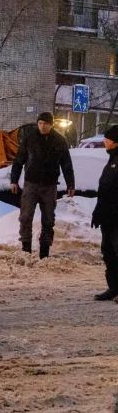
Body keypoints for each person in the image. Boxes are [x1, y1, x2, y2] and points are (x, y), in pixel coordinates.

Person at [10, 112, 75, 259]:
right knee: (25, 216)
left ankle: (44, 251)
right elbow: (19, 161)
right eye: (40, 123)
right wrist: (14, 180)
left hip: (49, 185)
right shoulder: (30, 139)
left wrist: (71, 184)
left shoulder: (59, 141)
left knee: (48, 219)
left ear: (51, 125)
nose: (42, 126)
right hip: (31, 184)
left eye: (45, 124)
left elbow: (66, 164)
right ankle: (26, 248)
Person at [91, 125, 118, 301]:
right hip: (108, 216)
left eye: (107, 139)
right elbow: (105, 189)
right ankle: (114, 288)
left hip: (116, 216)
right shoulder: (112, 160)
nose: (104, 141)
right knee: (108, 252)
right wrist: (98, 212)